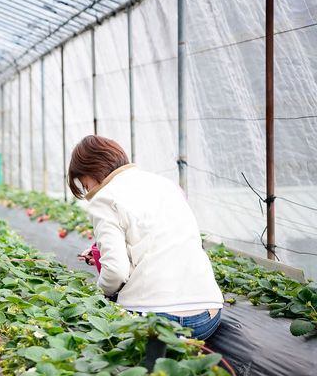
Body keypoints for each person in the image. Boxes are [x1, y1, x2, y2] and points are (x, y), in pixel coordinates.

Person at [69, 135, 223, 340]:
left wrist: (97, 294)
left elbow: (116, 271)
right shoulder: (166, 185)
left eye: (84, 184)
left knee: (96, 324)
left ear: (90, 170)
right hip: (206, 316)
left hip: (153, 316)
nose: (87, 190)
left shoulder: (104, 198)